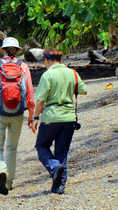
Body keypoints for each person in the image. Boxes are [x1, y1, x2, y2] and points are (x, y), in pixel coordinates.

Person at [0, 37, 35, 195]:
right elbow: (30, 93)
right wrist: (31, 115)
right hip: (18, 113)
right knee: (12, 148)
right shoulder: (23, 67)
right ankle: (8, 182)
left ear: (3, 50)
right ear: (17, 51)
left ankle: (1, 169)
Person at [30, 48, 87, 194]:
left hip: (51, 116)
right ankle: (59, 187)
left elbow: (41, 100)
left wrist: (35, 118)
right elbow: (83, 90)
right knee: (62, 152)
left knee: (42, 146)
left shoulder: (47, 75)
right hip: (69, 117)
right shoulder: (72, 73)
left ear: (47, 60)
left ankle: (54, 167)